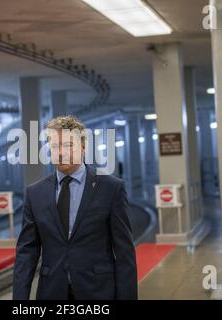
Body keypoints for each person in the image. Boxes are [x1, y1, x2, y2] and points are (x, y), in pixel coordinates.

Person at [13, 116, 137, 300]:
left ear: (84, 147)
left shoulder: (111, 188)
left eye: (69, 145)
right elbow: (27, 253)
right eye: (55, 146)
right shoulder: (35, 193)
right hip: (51, 292)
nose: (61, 153)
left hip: (98, 292)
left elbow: (124, 253)